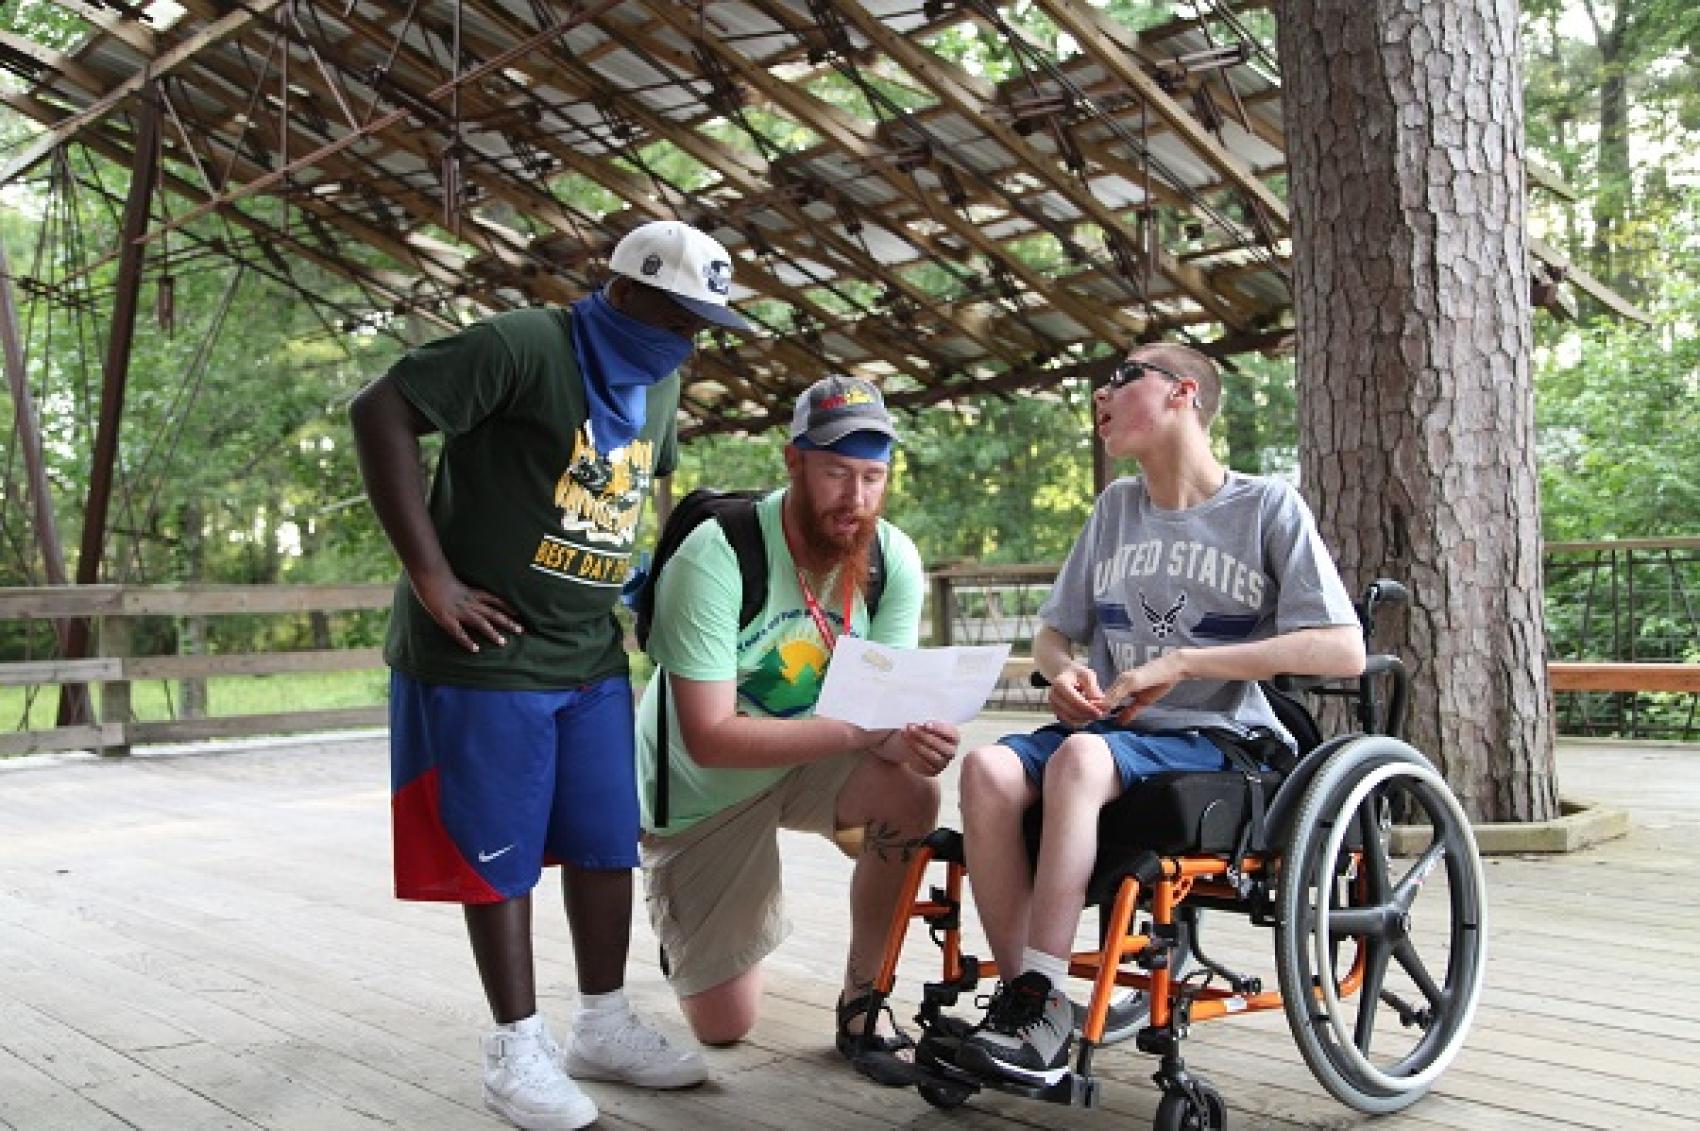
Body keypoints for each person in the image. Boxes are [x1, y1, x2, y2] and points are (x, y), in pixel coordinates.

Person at [349, 220, 748, 1131]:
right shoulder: (523, 345)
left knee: (608, 840)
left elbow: (632, 488)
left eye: (703, 326)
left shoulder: (663, 377)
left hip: (588, 649)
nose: (690, 340)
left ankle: (601, 1023)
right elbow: (379, 410)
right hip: (485, 656)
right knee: (500, 856)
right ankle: (513, 1047)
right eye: (681, 318)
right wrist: (430, 575)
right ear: (629, 291)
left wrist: (639, 584)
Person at [952, 342, 1367, 1087]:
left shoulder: (1265, 506)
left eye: (1120, 379)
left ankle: (1038, 1005)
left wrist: (1183, 664)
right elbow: (1053, 632)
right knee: (985, 767)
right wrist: (1063, 672)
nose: (1099, 397)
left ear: (1182, 393)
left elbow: (1344, 650)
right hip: (1115, 731)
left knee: (1080, 760)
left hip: (1218, 739)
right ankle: (1030, 1009)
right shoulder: (1116, 508)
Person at [635, 374, 960, 1067]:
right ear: (794, 462)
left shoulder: (889, 557)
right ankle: (693, 931)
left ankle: (862, 1002)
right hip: (704, 787)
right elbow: (710, 737)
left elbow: (880, 709)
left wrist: (914, 737)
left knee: (912, 791)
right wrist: (863, 733)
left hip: (811, 753)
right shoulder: (717, 555)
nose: (857, 498)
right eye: (838, 472)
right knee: (724, 1025)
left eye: (874, 476)